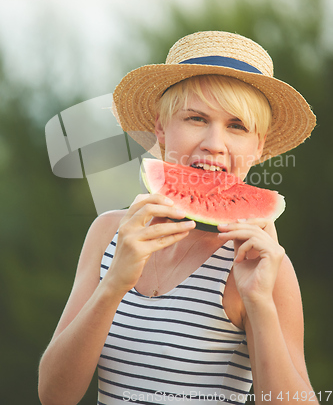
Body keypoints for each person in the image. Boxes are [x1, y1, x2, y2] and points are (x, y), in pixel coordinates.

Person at [38, 31, 318, 405]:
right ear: (160, 128)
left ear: (258, 146)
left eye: (237, 126)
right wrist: (114, 284)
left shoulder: (263, 262)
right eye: (196, 118)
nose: (214, 143)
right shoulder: (109, 234)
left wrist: (259, 302)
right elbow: (54, 396)